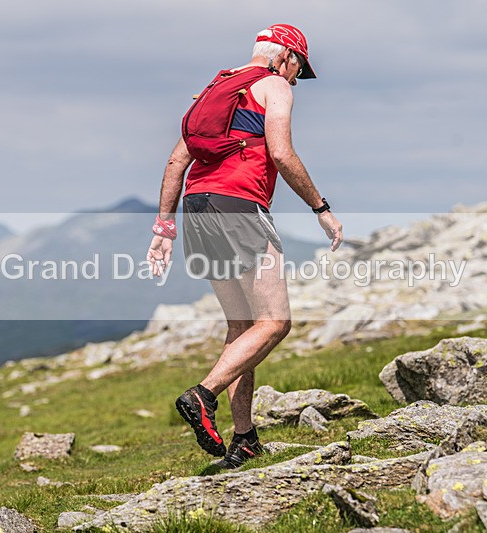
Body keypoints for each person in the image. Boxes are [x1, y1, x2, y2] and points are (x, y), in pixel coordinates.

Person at [147, 23, 343, 468]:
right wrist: (321, 208)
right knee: (275, 322)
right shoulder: (273, 85)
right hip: (238, 207)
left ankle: (245, 438)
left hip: (197, 208)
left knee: (243, 328)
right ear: (287, 57)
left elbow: (178, 160)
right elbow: (281, 153)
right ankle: (202, 395)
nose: (295, 80)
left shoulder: (215, 87)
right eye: (299, 70)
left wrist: (163, 229)